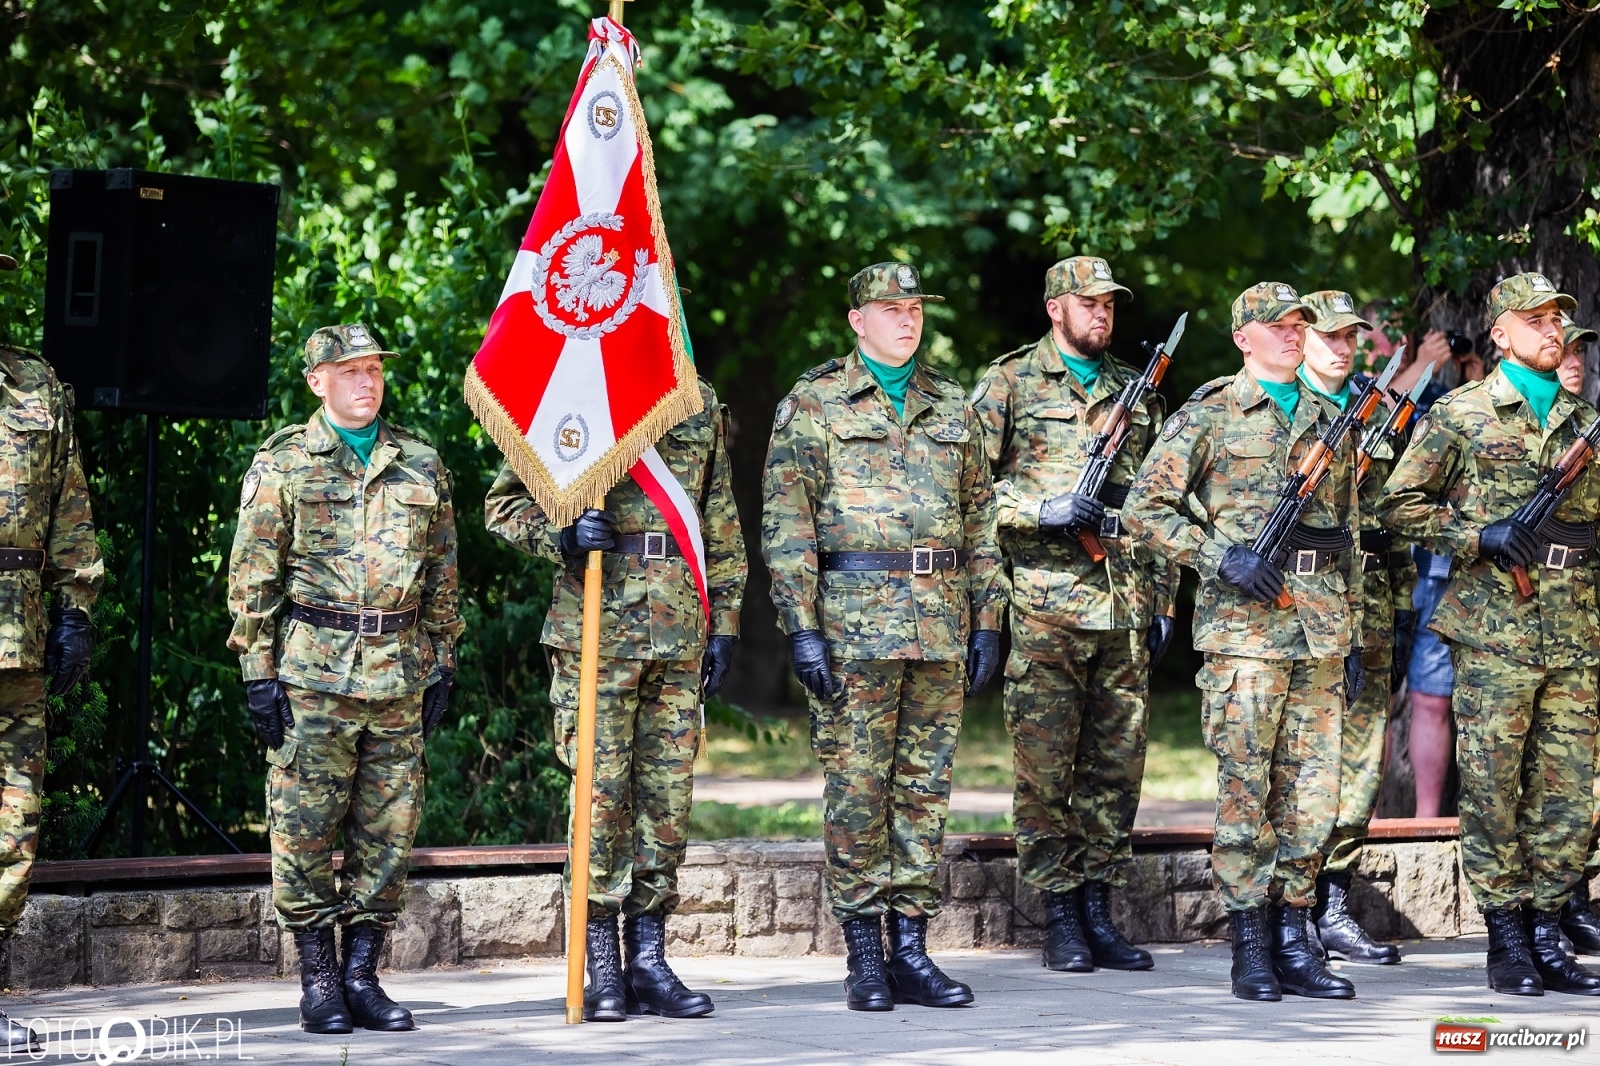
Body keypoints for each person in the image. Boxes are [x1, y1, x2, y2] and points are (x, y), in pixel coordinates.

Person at [762, 262, 1005, 1011]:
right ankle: (864, 956)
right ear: (856, 320)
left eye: (916, 308)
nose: (908, 319)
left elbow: (982, 523)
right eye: (891, 308)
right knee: (859, 795)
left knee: (925, 794)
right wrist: (801, 628)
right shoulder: (814, 404)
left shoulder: (950, 406)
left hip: (938, 625)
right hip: (853, 630)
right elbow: (787, 527)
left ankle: (911, 950)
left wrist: (989, 618)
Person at [1124, 282, 1362, 1002]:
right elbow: (1144, 506)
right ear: (1243, 336)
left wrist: (1349, 632)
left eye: (1299, 325)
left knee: (1313, 798)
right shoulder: (1212, 413)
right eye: (1277, 325)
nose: (1293, 334)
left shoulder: (1332, 417)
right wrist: (1218, 555)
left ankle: (1296, 936)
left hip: (1318, 631)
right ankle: (1250, 943)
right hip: (1245, 638)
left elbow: (1344, 532)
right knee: (1246, 793)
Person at [483, 376, 746, 1022]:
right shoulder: (577, 385)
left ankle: (649, 962)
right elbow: (504, 506)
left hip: (681, 630)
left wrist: (728, 622)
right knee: (600, 801)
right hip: (596, 628)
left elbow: (720, 518)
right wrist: (563, 537)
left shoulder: (698, 400)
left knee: (666, 804)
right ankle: (601, 965)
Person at [227, 323, 462, 1033]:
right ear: (316, 381)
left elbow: (445, 571)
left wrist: (445, 658)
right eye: (350, 370)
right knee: (303, 830)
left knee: (389, 833)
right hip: (312, 675)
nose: (367, 381)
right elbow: (253, 576)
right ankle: (319, 980)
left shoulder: (418, 461)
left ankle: (362, 974)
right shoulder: (285, 463)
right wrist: (256, 673)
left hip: (398, 672)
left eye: (374, 369)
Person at [1380, 273, 1600, 997]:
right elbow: (1399, 505)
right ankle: (1507, 940)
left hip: (1574, 633)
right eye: (1534, 320)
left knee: (1567, 798)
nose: (1550, 330)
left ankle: (1547, 933)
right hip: (1494, 633)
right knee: (1497, 792)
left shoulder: (1582, 421)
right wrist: (1477, 534)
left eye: (1556, 320)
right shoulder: (1461, 415)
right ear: (1500, 333)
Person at [970, 256, 1176, 974]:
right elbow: (967, 493)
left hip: (1121, 605)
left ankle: (1098, 907)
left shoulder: (1134, 391)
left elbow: (1158, 503)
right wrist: (1039, 510)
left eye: (1110, 304)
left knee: (1116, 770)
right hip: (1044, 605)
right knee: (1046, 771)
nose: (1102, 314)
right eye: (1089, 303)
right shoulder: (1008, 383)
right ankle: (1058, 912)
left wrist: (1161, 599)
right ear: (1055, 307)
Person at [0, 252, 103, 1054]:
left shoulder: (36, 386)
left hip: (18, 637)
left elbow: (70, 504)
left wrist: (77, 609)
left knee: (14, 828)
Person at [1296, 290, 1411, 965]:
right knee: (1302, 765)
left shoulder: (1373, 414)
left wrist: (1397, 614)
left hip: (1366, 610)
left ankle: (1333, 902)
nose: (1343, 348)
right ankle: (1292, 907)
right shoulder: (1286, 412)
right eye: (1329, 336)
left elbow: (1389, 526)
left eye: (1350, 338)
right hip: (1302, 616)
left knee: (1360, 768)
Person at [1554, 312, 1600, 956]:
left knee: (1579, 776)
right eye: (1560, 350)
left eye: (1578, 352)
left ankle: (1570, 895)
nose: (1572, 360)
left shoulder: (1589, 430)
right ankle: (1551, 906)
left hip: (1583, 617)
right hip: (1522, 627)